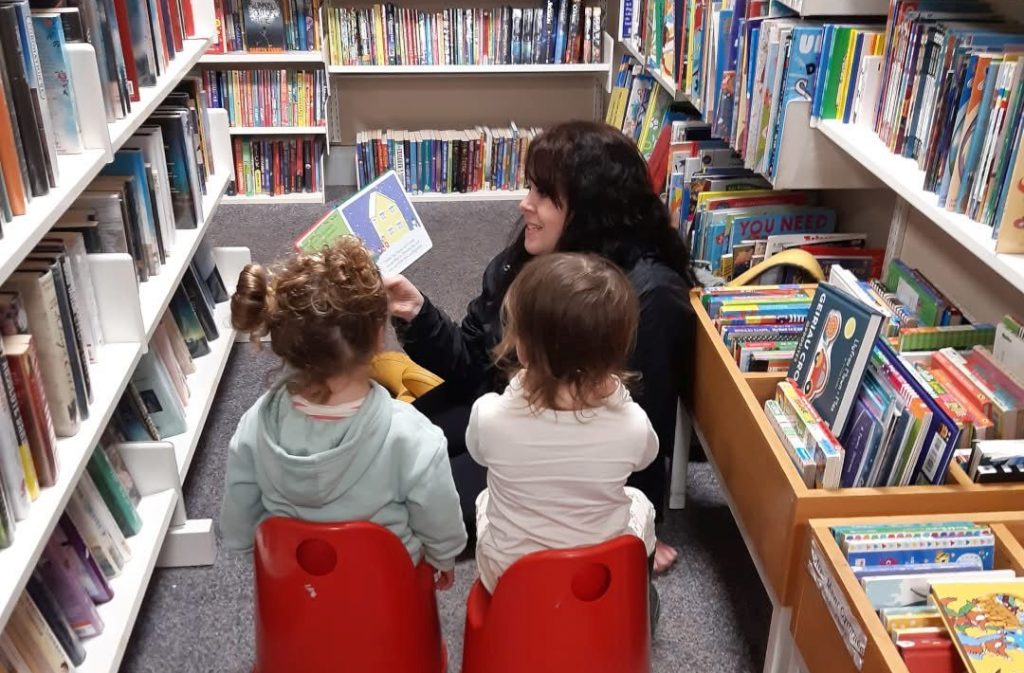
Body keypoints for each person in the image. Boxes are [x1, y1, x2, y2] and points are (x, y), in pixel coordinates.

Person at [385, 120, 696, 572]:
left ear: (592, 207)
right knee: (388, 447)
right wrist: (417, 313)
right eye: (530, 187)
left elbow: (643, 424)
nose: (524, 204)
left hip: (561, 456)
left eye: (544, 195)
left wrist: (639, 532)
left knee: (417, 503)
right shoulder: (532, 254)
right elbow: (475, 360)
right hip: (503, 403)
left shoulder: (645, 294)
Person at [219, 238, 467, 589]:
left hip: (297, 602)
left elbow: (239, 522)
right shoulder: (411, 434)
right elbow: (438, 515)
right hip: (386, 604)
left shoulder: (255, 424)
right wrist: (444, 556)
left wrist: (254, 550)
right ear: (379, 338)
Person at [468, 252, 658, 594]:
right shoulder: (632, 424)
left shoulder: (490, 415)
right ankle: (631, 608)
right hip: (593, 577)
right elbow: (646, 457)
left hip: (510, 578)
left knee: (485, 498)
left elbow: (478, 453)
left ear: (523, 347)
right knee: (640, 503)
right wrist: (615, 394)